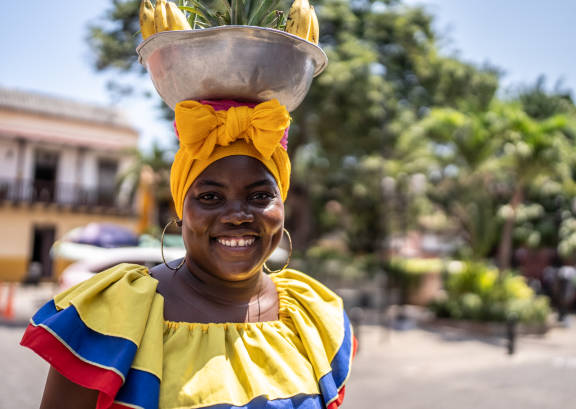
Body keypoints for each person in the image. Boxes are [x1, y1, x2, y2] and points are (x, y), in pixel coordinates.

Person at [21, 98, 356, 409]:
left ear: (281, 207)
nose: (237, 215)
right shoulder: (116, 313)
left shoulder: (311, 315)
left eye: (259, 196)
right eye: (210, 197)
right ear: (181, 210)